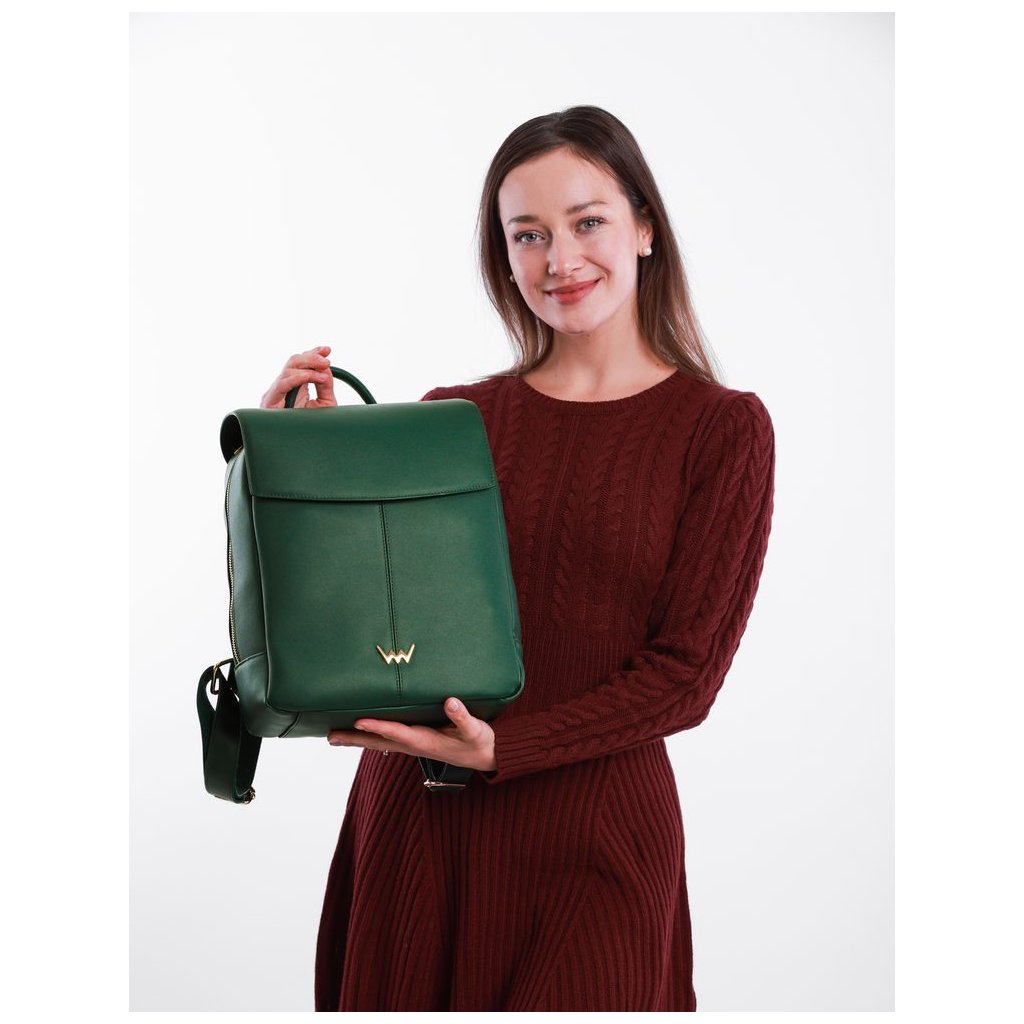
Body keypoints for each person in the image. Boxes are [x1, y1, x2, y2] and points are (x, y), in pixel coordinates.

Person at [260, 105, 776, 1012]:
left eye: (588, 222)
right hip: (423, 827)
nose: (559, 259)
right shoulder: (451, 417)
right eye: (527, 234)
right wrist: (307, 469)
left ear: (645, 227)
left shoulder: (721, 430)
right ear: (503, 256)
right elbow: (365, 623)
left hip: (596, 839)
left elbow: (685, 677)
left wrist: (508, 747)